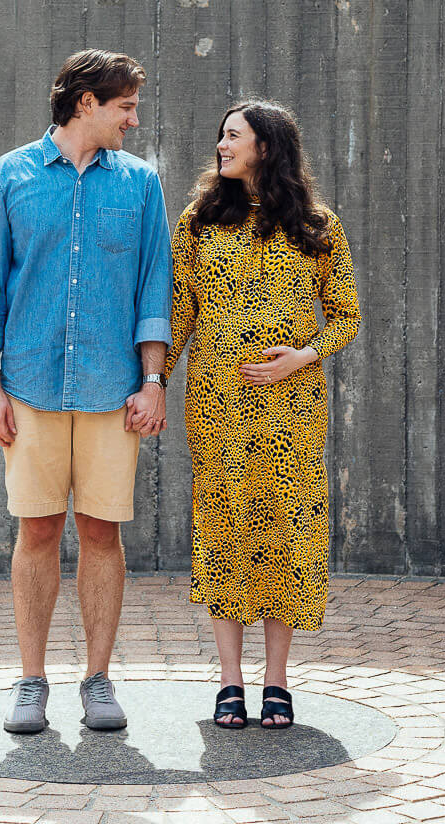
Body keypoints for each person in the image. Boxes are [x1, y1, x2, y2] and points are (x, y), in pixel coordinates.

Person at [0, 49, 173, 735]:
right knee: (36, 529)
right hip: (28, 385)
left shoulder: (142, 185)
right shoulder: (9, 177)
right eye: (126, 107)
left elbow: (154, 290)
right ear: (87, 102)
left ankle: (98, 678)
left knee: (100, 531)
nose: (134, 119)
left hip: (113, 391)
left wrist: (153, 381)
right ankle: (31, 681)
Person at [165, 100, 361, 730]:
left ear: (267, 148)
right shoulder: (198, 222)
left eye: (233, 137)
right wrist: (150, 382)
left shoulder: (316, 225)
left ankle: (277, 683)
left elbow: (349, 315)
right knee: (223, 534)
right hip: (218, 405)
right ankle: (230, 683)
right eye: (221, 136)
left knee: (285, 537)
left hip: (293, 408)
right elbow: (180, 312)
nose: (221, 146)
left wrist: (302, 356)